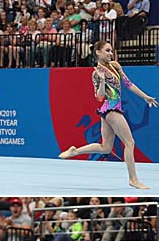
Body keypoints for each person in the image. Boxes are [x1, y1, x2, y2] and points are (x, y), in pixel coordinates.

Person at [59, 40, 158, 189]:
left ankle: (76, 151)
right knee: (129, 143)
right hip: (111, 109)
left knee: (105, 147)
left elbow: (129, 84)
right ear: (98, 52)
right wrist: (103, 80)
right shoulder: (96, 73)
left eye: (111, 50)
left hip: (110, 109)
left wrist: (145, 97)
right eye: (107, 50)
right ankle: (133, 179)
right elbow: (99, 97)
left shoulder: (116, 66)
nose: (110, 53)